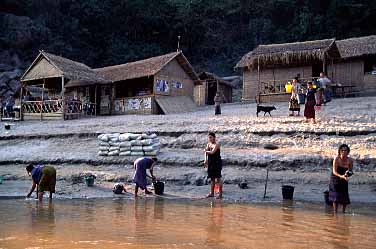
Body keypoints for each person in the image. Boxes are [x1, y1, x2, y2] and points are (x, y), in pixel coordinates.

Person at [329, 144, 353, 213]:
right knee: (335, 197)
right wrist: (341, 176)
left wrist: (347, 175)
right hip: (335, 178)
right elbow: (334, 171)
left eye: (345, 150)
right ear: (339, 151)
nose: (344, 152)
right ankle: (335, 213)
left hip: (344, 178)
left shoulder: (350, 160)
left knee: (344, 196)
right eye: (342, 150)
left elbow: (351, 171)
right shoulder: (336, 159)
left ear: (348, 151)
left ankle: (343, 212)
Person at [204, 132, 223, 199]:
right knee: (212, 178)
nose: (209, 139)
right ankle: (212, 193)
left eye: (211, 137)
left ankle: (220, 194)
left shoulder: (217, 144)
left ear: (214, 137)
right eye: (209, 137)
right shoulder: (208, 144)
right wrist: (205, 160)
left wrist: (205, 151)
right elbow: (205, 153)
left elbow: (212, 152)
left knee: (218, 178)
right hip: (211, 163)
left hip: (217, 163)